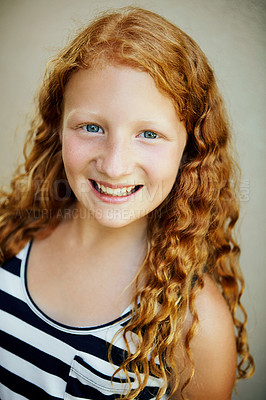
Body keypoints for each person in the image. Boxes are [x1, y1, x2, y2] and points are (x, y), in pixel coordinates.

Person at [0, 6, 254, 400]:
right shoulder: (11, 235)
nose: (115, 165)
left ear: (191, 150)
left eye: (149, 134)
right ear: (58, 126)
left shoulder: (193, 325)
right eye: (91, 127)